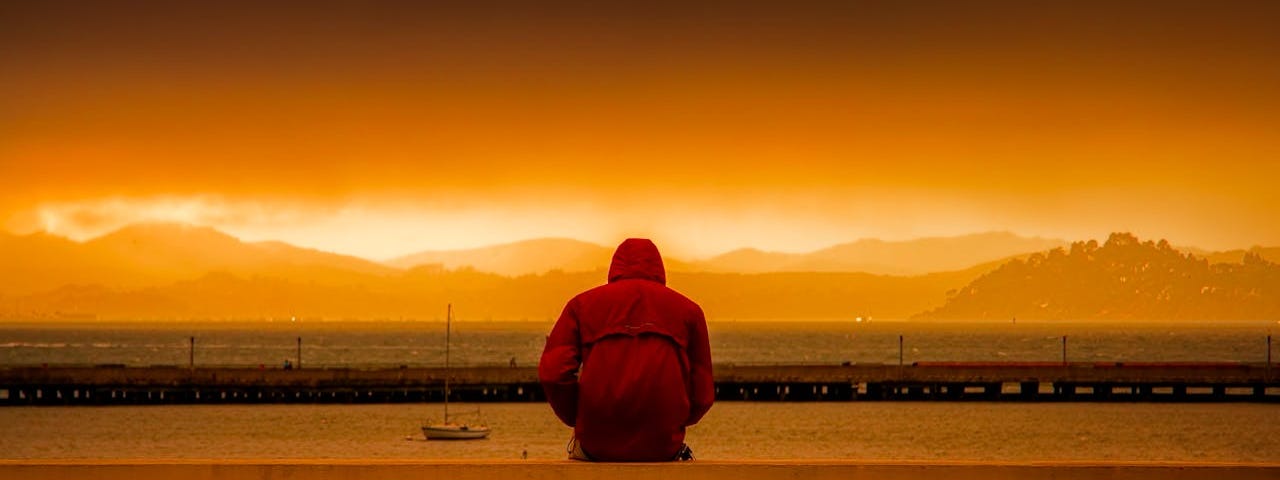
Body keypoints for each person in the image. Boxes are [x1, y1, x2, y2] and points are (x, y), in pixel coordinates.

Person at [539, 238, 714, 462]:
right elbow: (703, 394)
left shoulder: (580, 306)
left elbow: (553, 373)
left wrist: (579, 418)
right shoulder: (690, 312)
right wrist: (673, 421)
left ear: (615, 268)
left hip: (596, 444)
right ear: (659, 269)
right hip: (662, 446)